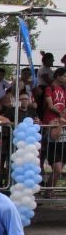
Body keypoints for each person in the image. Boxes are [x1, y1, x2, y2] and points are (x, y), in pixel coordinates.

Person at [41, 67, 66, 195]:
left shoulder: (63, 89)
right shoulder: (49, 88)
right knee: (47, 154)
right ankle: (43, 184)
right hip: (50, 122)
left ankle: (49, 190)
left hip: (61, 122)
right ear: (58, 76)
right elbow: (50, 105)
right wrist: (61, 115)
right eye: (64, 76)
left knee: (59, 168)